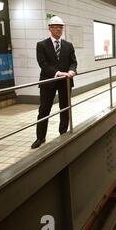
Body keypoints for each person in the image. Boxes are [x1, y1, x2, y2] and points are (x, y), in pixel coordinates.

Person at [31, 16, 78, 149]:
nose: (59, 29)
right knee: (44, 109)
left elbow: (73, 61)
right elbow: (43, 64)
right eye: (56, 27)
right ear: (50, 29)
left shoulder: (68, 45)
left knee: (65, 108)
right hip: (48, 81)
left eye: (61, 27)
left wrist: (72, 70)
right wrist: (58, 73)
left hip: (65, 82)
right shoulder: (41, 45)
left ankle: (63, 133)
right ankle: (40, 137)